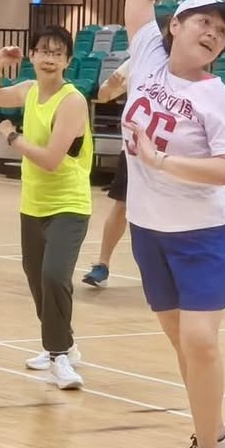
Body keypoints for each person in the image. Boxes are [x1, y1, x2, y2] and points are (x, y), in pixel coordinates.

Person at [121, 0, 225, 448]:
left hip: (206, 231)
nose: (213, 34)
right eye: (203, 22)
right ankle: (211, 432)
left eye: (221, 31)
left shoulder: (216, 98)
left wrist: (163, 163)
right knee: (181, 341)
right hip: (149, 228)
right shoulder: (148, 54)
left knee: (199, 341)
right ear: (175, 27)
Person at [0, 26, 93, 391]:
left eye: (57, 53)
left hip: (69, 203)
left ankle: (59, 355)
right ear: (31, 56)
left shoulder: (72, 101)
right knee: (36, 278)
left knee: (54, 275)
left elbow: (50, 160)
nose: (49, 58)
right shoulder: (29, 90)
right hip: (33, 203)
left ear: (67, 61)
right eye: (43, 51)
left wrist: (12, 137)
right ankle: (63, 343)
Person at [82, 58, 131, 288]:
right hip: (134, 151)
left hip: (171, 155)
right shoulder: (137, 62)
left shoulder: (184, 66)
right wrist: (109, 88)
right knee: (121, 205)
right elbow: (104, 95)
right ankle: (103, 264)